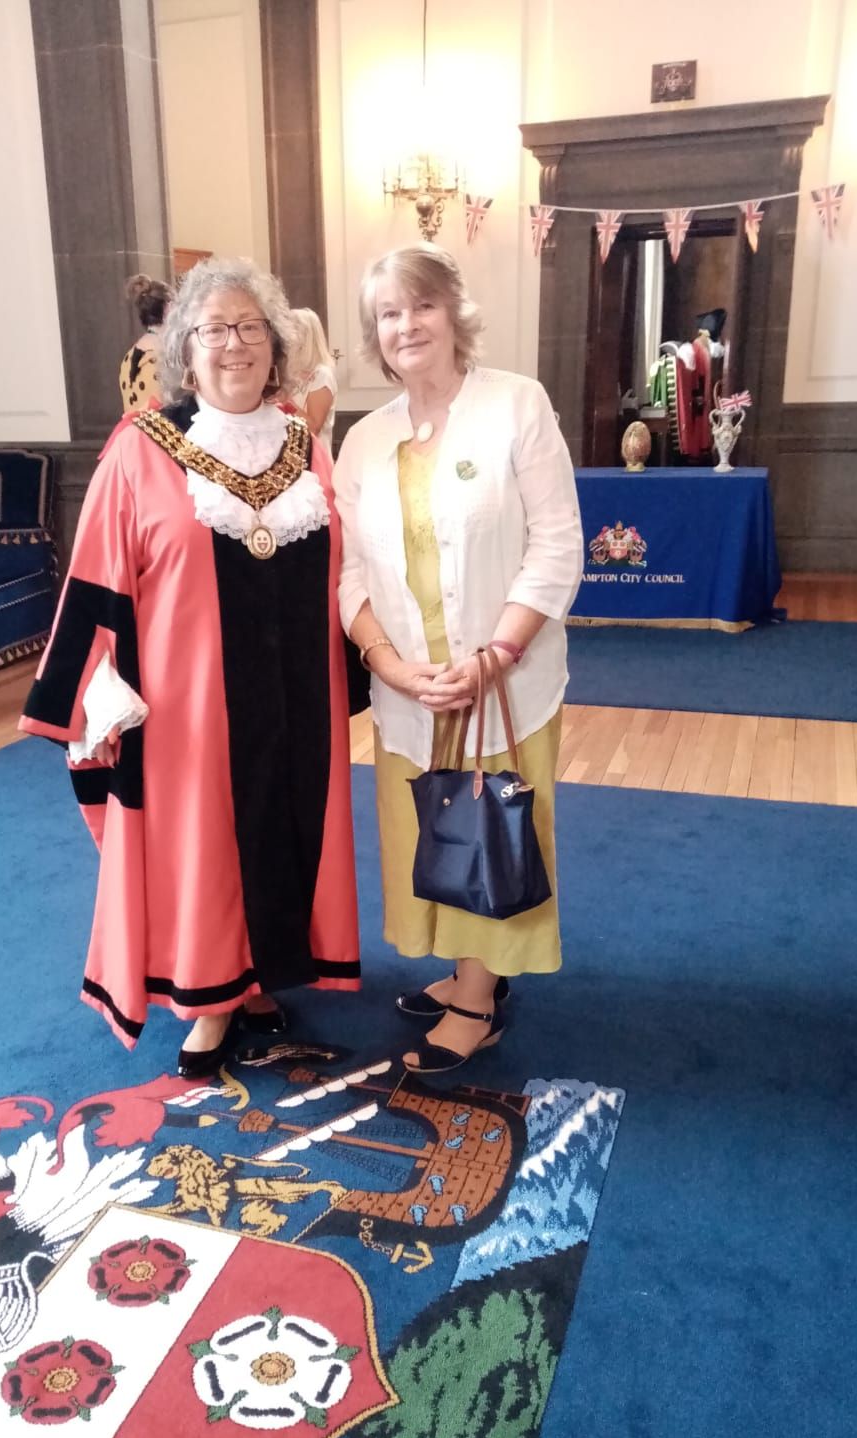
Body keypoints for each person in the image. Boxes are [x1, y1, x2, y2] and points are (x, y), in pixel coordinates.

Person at [22, 257, 360, 1074]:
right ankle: (208, 1001)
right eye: (214, 330)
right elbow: (98, 575)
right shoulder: (141, 450)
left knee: (284, 822)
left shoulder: (306, 448)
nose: (234, 345)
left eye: (251, 328)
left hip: (298, 698)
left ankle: (259, 978)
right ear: (185, 348)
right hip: (185, 704)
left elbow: (347, 563)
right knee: (203, 845)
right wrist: (94, 698)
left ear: (276, 347)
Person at [334, 243, 583, 1085]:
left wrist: (496, 654)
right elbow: (351, 573)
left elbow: (557, 546)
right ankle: (464, 966)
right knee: (431, 831)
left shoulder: (517, 404)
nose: (407, 326)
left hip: (505, 682)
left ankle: (477, 1000)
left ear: (453, 312)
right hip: (408, 689)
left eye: (421, 306)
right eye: (389, 315)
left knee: (492, 829)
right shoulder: (363, 441)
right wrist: (389, 664)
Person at [118, 273, 172, 413]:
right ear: (168, 307)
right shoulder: (161, 355)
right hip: (159, 433)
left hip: (130, 433)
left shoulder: (130, 355)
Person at [286, 307, 337, 449]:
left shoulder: (321, 375)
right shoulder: (287, 373)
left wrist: (284, 401)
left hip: (314, 461)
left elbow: (313, 428)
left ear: (304, 338)